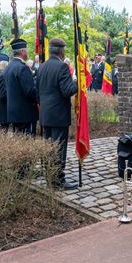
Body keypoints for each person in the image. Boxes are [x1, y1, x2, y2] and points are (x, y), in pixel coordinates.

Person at [37, 38, 78, 190]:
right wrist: (78, 83)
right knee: (59, 149)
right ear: (61, 51)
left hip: (46, 115)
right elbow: (67, 90)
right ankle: (58, 180)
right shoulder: (62, 67)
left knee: (48, 148)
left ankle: (49, 177)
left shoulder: (42, 67)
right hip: (59, 115)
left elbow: (37, 91)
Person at [4, 39, 38, 135]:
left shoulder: (8, 67)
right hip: (25, 113)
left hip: (13, 112)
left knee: (19, 140)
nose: (27, 52)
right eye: (26, 50)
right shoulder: (23, 68)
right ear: (22, 51)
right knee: (27, 139)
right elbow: (29, 91)